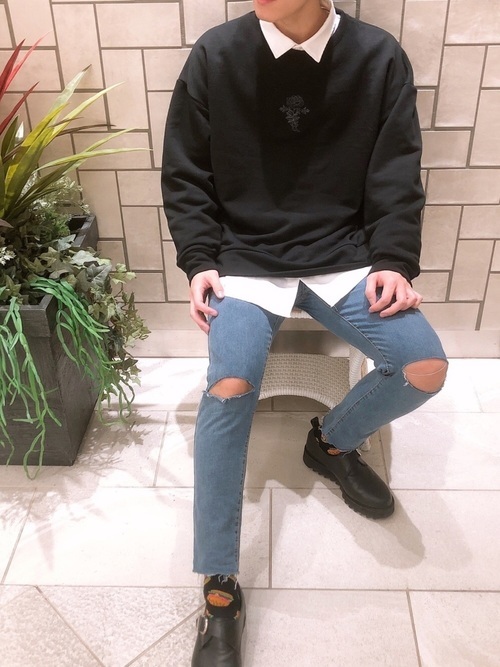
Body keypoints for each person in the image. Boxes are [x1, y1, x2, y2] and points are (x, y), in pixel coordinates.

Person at [162, 1, 448, 664]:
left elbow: (397, 170)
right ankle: (219, 587)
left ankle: (331, 442)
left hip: (345, 254)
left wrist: (394, 259)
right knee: (230, 385)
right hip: (242, 257)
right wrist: (199, 259)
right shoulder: (216, 55)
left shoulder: (377, 56)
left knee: (423, 366)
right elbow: (186, 171)